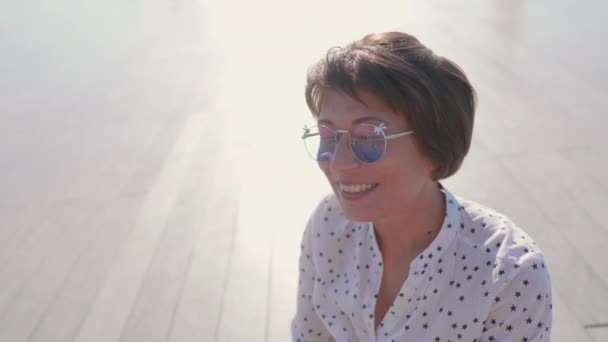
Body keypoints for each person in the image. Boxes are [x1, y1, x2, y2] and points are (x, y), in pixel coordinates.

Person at [291, 32, 552, 342]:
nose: (338, 163)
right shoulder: (328, 225)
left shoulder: (509, 275)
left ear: (434, 146)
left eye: (369, 138)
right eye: (328, 134)